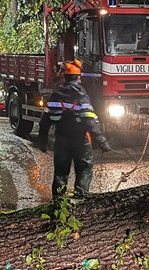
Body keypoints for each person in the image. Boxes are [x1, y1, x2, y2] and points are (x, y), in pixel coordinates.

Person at [36, 59, 113, 199]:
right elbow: (90, 121)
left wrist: (43, 142)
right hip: (80, 141)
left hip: (61, 140)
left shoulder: (56, 97)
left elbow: (45, 121)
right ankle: (80, 199)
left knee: (60, 172)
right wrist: (102, 142)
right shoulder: (82, 96)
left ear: (65, 77)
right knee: (84, 169)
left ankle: (58, 201)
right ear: (78, 78)